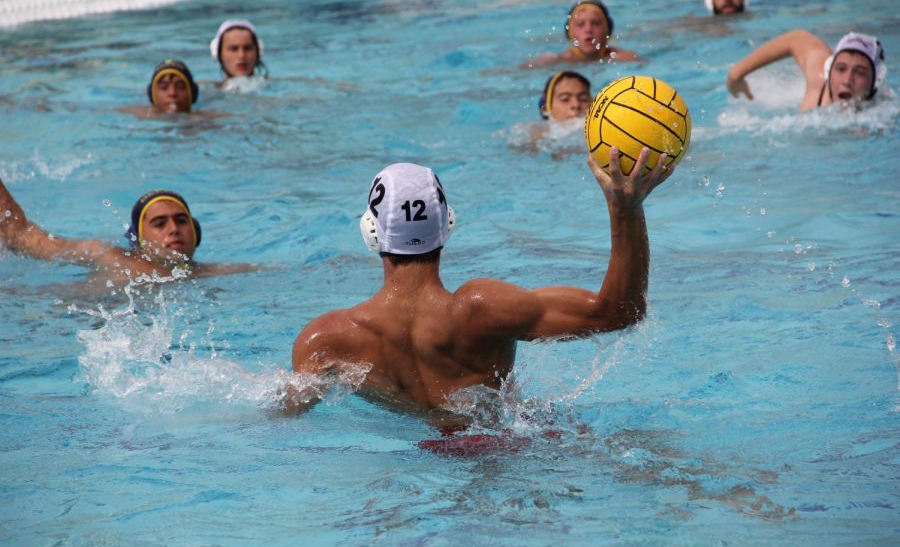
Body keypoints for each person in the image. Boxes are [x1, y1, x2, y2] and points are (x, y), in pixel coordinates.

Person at [288, 147, 674, 429]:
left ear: (370, 232)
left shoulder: (325, 340)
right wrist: (625, 209)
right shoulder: (483, 309)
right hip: (509, 453)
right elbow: (619, 312)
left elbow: (282, 414)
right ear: (447, 225)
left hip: (414, 468)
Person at [0, 180, 255, 289]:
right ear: (139, 241)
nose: (173, 229)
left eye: (180, 220)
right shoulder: (107, 256)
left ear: (195, 232)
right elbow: (20, 236)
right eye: (159, 223)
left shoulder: (216, 273)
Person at [726, 30, 887, 112]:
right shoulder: (818, 80)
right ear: (829, 70)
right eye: (840, 69)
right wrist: (736, 74)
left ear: (876, 81)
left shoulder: (883, 112)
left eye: (859, 72)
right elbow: (795, 38)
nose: (847, 80)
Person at [527, 0, 640, 67]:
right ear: (570, 32)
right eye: (580, 24)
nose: (588, 29)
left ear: (607, 29)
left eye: (595, 23)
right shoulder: (554, 61)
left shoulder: (625, 58)